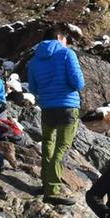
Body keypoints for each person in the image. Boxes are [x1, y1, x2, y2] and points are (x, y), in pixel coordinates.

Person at [26, 24, 85, 206]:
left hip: (47, 107)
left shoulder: (34, 60)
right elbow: (78, 83)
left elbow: (33, 88)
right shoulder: (67, 54)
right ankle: (52, 190)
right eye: (66, 39)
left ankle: (46, 184)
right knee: (62, 147)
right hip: (68, 106)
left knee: (48, 144)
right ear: (60, 38)